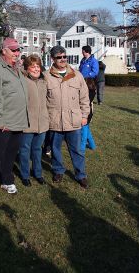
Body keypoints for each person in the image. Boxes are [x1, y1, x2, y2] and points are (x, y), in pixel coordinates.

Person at [0, 37, 29, 199]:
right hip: (1, 122)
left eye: (18, 50)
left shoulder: (16, 68)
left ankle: (6, 180)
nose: (17, 53)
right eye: (13, 50)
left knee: (10, 154)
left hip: (17, 121)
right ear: (4, 50)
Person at [45, 46, 90, 189]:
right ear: (53, 59)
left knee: (76, 150)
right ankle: (58, 171)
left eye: (65, 57)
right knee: (55, 149)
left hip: (74, 121)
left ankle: (81, 174)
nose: (63, 59)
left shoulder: (77, 75)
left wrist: (84, 116)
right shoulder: (46, 76)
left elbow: (84, 98)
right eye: (59, 57)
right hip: (54, 120)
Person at [19, 55, 49, 187]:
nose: (36, 69)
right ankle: (25, 175)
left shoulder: (44, 81)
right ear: (27, 68)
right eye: (33, 66)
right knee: (25, 149)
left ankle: (38, 173)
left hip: (42, 122)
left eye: (38, 66)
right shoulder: (23, 81)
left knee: (37, 149)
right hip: (27, 122)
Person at [79, 45, 99, 153]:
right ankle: (92, 144)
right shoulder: (82, 60)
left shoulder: (93, 61)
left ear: (87, 52)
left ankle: (82, 146)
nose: (82, 53)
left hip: (89, 84)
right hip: (82, 84)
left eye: (83, 52)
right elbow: (80, 69)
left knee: (85, 125)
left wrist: (86, 77)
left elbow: (95, 72)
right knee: (86, 126)